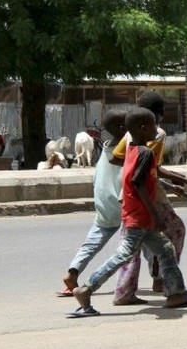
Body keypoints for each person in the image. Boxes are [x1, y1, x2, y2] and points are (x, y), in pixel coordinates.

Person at [70, 108, 187, 317]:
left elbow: (153, 171)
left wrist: (181, 179)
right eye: (152, 125)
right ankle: (87, 288)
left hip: (135, 214)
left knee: (165, 250)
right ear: (142, 128)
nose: (156, 129)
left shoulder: (133, 149)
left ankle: (176, 293)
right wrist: (154, 215)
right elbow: (138, 183)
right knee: (124, 254)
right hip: (139, 216)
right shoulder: (146, 152)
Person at [111, 91, 187, 304]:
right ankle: (167, 284)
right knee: (176, 231)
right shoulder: (156, 133)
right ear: (157, 116)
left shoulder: (131, 133)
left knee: (131, 245)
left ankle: (124, 291)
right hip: (148, 195)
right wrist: (182, 178)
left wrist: (138, 172)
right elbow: (152, 169)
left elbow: (117, 158)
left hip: (128, 194)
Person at [57, 109, 127, 297]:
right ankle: (159, 279)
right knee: (146, 244)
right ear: (123, 128)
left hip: (103, 203)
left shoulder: (105, 146)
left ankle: (72, 272)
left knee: (92, 242)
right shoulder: (128, 146)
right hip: (122, 203)